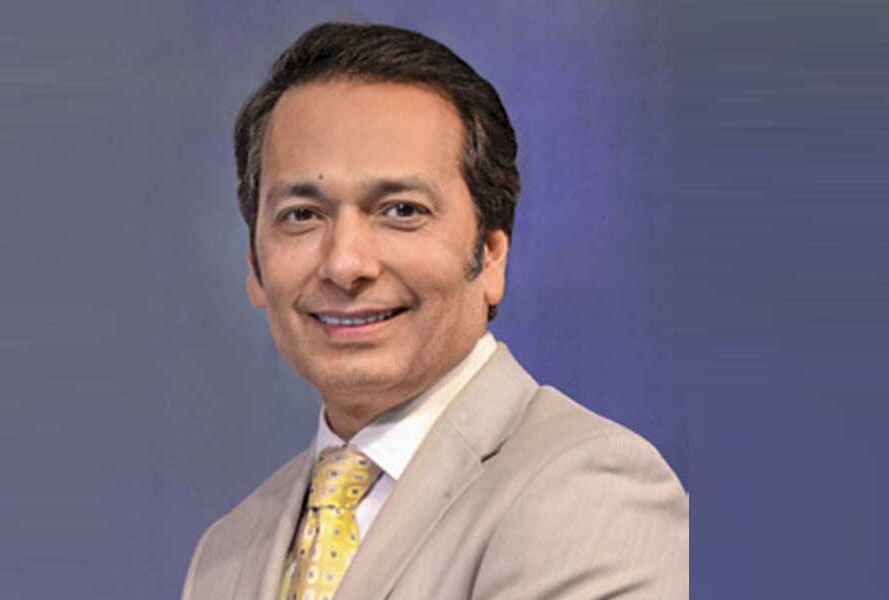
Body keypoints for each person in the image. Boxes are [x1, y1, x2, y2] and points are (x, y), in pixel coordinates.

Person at [182, 22, 688, 600]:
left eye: (401, 210)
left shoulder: (593, 491)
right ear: (255, 265)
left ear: (491, 255)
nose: (345, 264)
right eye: (302, 215)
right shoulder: (225, 554)